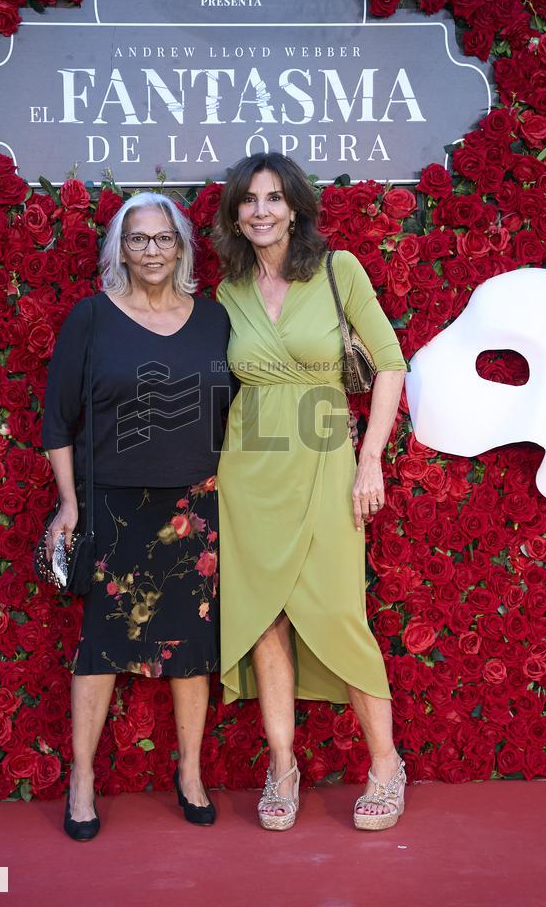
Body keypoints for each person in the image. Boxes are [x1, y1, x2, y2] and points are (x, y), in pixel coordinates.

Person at [213, 152, 408, 832]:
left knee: (339, 613)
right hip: (249, 468)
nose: (261, 210)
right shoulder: (228, 290)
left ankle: (384, 763)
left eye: (273, 198)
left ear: (295, 207)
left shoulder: (337, 270)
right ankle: (283, 766)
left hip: (326, 459)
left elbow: (389, 362)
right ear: (235, 214)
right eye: (248, 200)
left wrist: (371, 460)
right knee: (267, 620)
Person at [42, 192, 232, 839]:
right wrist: (69, 504)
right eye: (137, 239)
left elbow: (248, 406)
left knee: (192, 650)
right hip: (113, 508)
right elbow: (56, 421)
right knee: (99, 648)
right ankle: (83, 780)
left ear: (181, 245)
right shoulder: (91, 319)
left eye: (163, 238)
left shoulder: (215, 321)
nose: (151, 251)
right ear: (119, 250)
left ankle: (190, 774)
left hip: (194, 509)